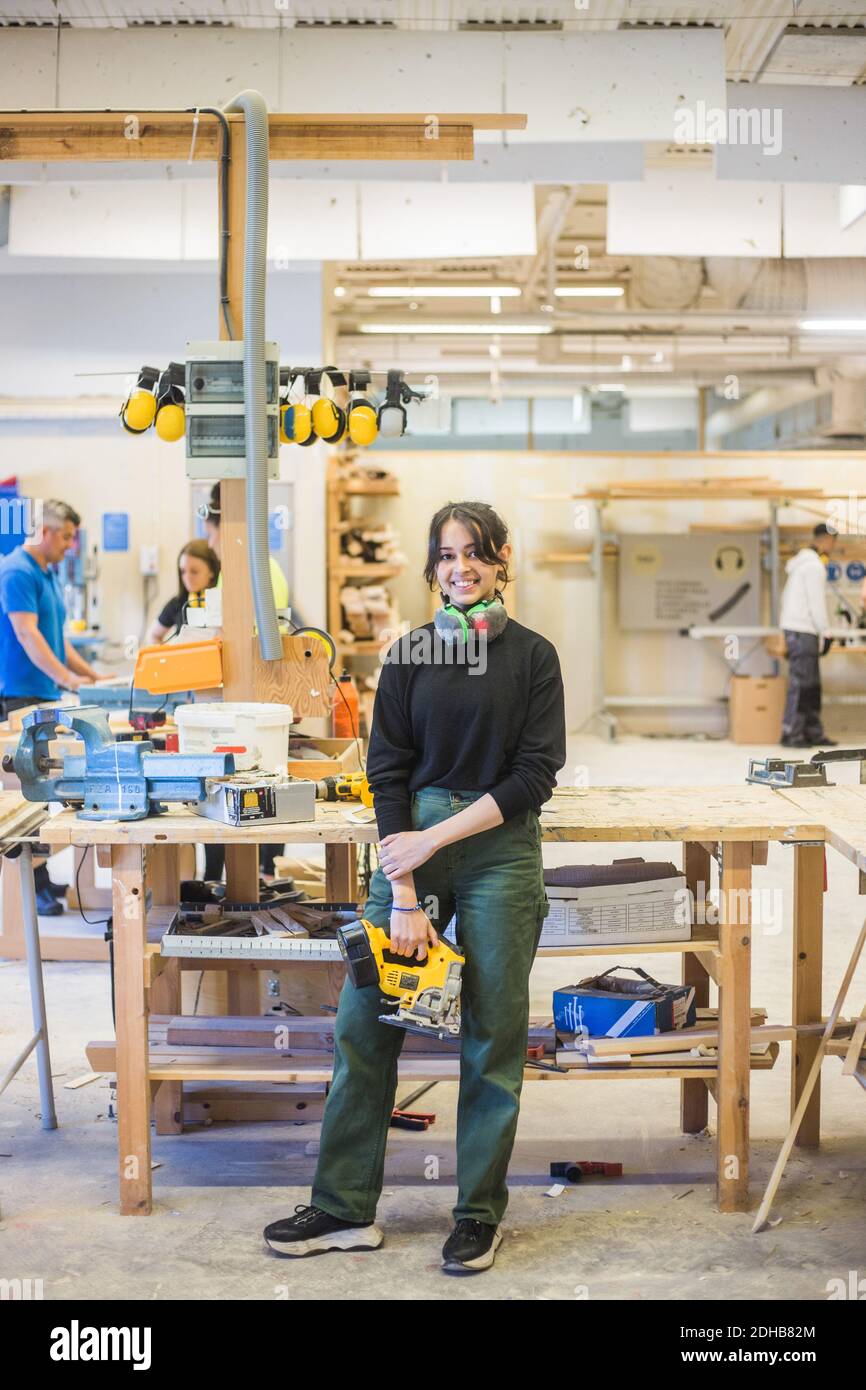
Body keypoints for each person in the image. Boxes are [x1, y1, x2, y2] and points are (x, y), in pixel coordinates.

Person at [263, 501, 567, 1275]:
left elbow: (536, 774)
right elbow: (386, 771)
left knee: (492, 1033)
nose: (460, 568)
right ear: (431, 569)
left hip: (498, 848)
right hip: (412, 851)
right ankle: (342, 1207)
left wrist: (433, 841)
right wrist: (402, 893)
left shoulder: (535, 657)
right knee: (365, 1022)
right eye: (445, 556)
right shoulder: (407, 655)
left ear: (502, 561)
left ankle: (476, 1215)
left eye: (475, 554)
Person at [0, 498, 101, 914]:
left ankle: (45, 880)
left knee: (48, 791)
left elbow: (57, 640)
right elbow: (27, 636)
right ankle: (33, 886)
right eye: (66, 536)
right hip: (20, 697)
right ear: (44, 531)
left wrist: (93, 679)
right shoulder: (16, 572)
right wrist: (66, 679)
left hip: (44, 693)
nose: (69, 545)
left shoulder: (47, 573)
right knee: (29, 792)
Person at [779, 522, 838, 748]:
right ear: (827, 540)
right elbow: (816, 603)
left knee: (810, 684)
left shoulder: (799, 565)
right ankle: (792, 734)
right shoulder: (813, 566)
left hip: (798, 629)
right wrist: (826, 632)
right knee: (803, 684)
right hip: (804, 630)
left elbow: (786, 599)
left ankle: (812, 732)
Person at [202, 483, 289, 611]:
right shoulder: (234, 568)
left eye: (210, 535)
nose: (210, 544)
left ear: (225, 527)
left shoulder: (256, 571)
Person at [148, 539, 220, 644]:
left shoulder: (222, 603)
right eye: (183, 571)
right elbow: (153, 635)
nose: (187, 578)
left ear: (212, 571)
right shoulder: (177, 603)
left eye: (194, 572)